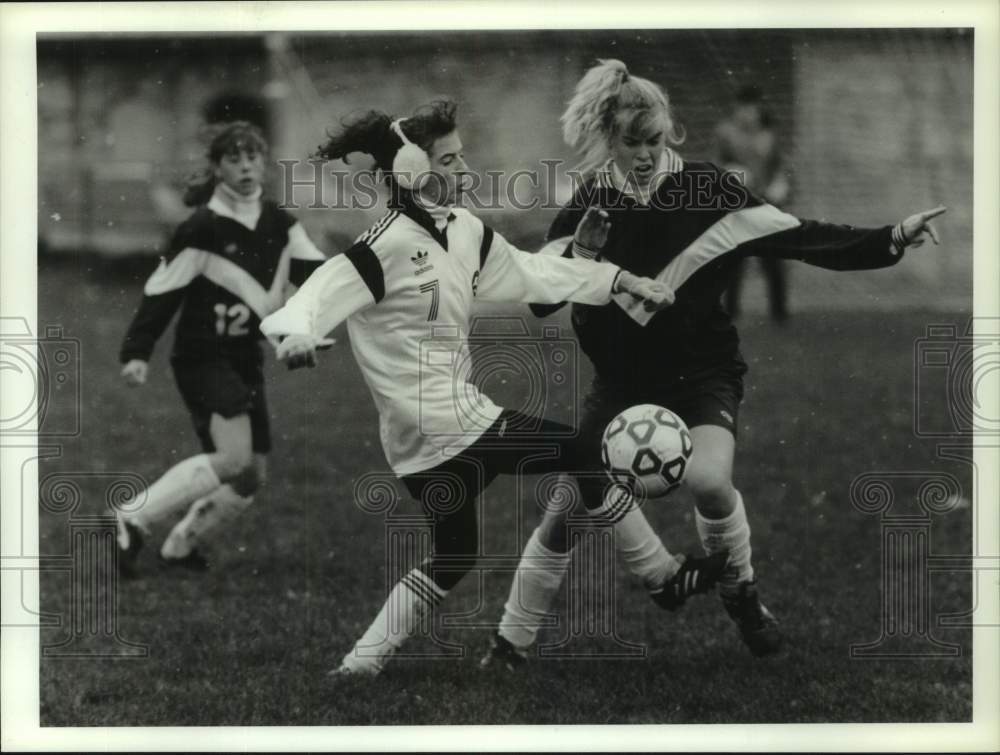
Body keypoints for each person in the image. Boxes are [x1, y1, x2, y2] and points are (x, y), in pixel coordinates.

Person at [482, 59, 946, 667]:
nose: (646, 154)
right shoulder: (589, 204)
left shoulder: (711, 191)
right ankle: (511, 642)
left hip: (701, 372)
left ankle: (741, 591)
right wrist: (585, 251)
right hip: (621, 384)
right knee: (568, 509)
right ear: (606, 140)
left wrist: (890, 238)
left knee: (708, 480)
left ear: (670, 133)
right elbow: (542, 301)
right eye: (631, 143)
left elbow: (799, 234)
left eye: (655, 140)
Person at [258, 100, 690, 677]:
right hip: (446, 421)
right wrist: (295, 337)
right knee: (586, 450)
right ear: (413, 171)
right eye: (451, 159)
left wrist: (612, 274)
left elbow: (534, 275)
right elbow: (309, 300)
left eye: (463, 156)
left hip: (425, 436)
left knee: (457, 554)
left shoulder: (464, 231)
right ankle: (660, 574)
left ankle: (358, 666)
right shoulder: (381, 247)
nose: (465, 169)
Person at [116, 121, 326, 576]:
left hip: (244, 358)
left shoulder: (281, 224)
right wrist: (137, 350)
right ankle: (133, 515)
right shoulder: (202, 228)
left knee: (250, 477)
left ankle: (179, 546)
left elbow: (325, 279)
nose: (246, 166)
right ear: (216, 168)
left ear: (264, 163)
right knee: (232, 458)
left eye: (252, 156)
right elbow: (162, 290)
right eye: (233, 158)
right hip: (201, 357)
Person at [716, 84, 792, 322]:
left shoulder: (768, 133)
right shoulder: (726, 132)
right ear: (736, 109)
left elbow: (781, 166)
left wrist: (780, 183)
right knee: (734, 260)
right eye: (743, 108)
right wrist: (731, 173)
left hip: (765, 204)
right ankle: (730, 313)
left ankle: (779, 314)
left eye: (752, 108)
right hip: (737, 205)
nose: (748, 113)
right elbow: (717, 164)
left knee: (773, 259)